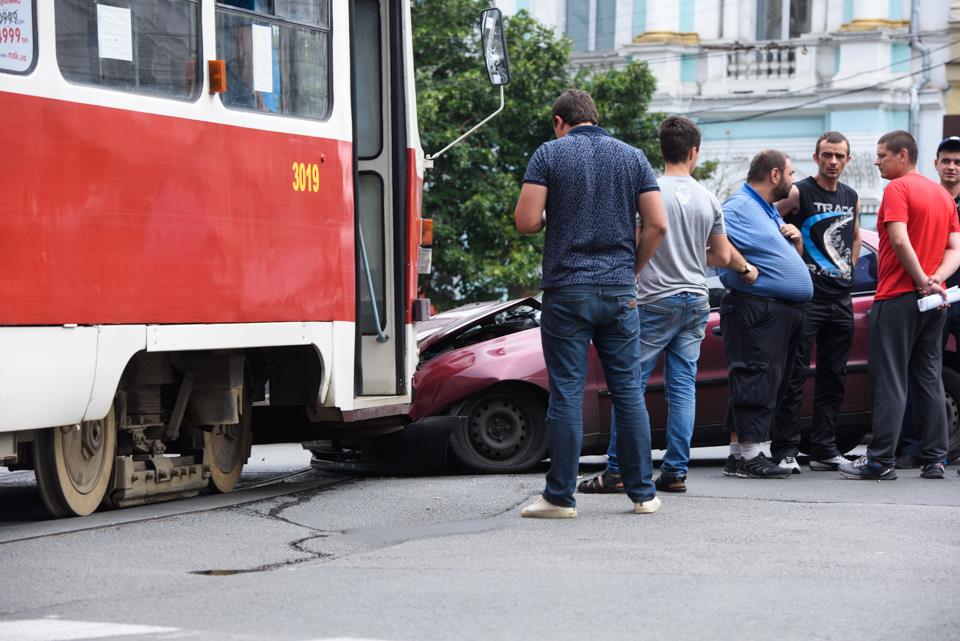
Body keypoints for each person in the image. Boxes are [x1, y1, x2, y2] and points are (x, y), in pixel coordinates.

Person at [514, 89, 668, 517]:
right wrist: (631, 271)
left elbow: (526, 221)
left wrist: (553, 214)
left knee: (566, 392)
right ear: (594, 118)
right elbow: (657, 224)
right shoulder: (633, 157)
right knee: (628, 393)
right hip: (619, 291)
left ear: (559, 121)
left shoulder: (549, 154)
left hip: (566, 291)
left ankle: (560, 498)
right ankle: (643, 494)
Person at [577, 115, 732, 495]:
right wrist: (693, 253)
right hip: (696, 300)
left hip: (653, 301)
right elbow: (723, 256)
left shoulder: (648, 191)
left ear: (661, 149)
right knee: (683, 388)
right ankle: (675, 472)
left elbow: (635, 242)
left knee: (630, 387)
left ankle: (617, 470)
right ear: (694, 152)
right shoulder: (708, 197)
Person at [839, 131, 960, 481]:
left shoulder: (898, 189)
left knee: (891, 379)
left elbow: (898, 237)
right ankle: (935, 459)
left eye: (882, 155)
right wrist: (935, 280)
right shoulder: (942, 195)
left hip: (898, 296)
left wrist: (921, 278)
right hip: (935, 301)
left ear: (902, 155)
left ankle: (880, 461)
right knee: (930, 378)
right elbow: (956, 249)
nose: (877, 161)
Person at [719, 150, 813, 478]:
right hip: (755, 309)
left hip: (775, 310)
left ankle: (736, 455)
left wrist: (796, 242)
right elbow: (715, 240)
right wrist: (743, 268)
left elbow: (783, 259)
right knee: (755, 376)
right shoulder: (739, 207)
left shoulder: (767, 210)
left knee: (760, 378)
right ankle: (749, 455)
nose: (792, 179)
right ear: (774, 175)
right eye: (789, 173)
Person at [771, 132, 861, 473]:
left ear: (847, 160)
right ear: (816, 157)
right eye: (827, 155)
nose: (833, 161)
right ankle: (786, 449)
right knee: (794, 375)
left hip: (840, 299)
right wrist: (788, 246)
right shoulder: (799, 191)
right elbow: (767, 218)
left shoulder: (851, 197)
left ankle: (824, 448)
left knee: (833, 376)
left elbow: (853, 236)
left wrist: (848, 269)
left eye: (839, 156)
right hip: (807, 299)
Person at [896, 135, 960, 469]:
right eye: (946, 160)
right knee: (919, 371)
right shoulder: (926, 198)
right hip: (928, 297)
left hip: (953, 296)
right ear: (935, 164)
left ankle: (942, 453)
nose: (952, 167)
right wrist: (928, 281)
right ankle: (911, 447)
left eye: (958, 162)